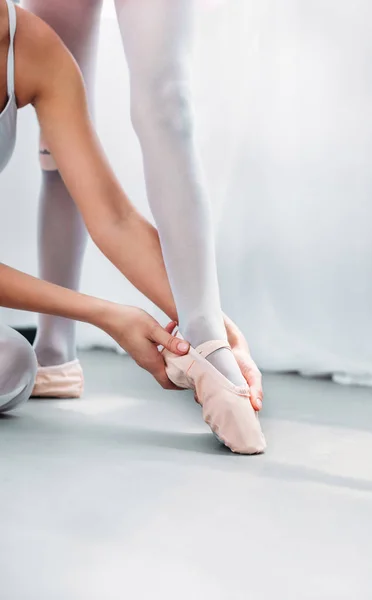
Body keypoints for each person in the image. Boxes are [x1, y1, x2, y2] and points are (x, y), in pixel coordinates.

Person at [0, 0, 265, 453]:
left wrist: (214, 333)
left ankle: (53, 358)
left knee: (11, 364)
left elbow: (115, 218)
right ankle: (54, 349)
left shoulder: (30, 45)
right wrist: (108, 314)